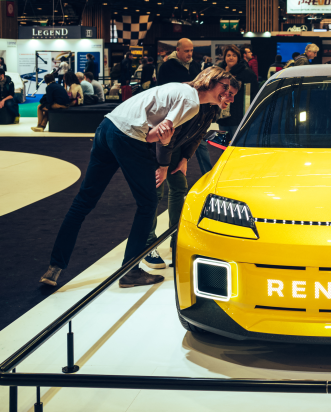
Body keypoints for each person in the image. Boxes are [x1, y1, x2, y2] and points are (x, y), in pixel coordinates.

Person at [38, 67, 236, 288]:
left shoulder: (180, 90)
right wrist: (164, 148)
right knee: (149, 201)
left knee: (84, 201)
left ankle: (54, 268)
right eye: (225, 87)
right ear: (210, 81)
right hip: (127, 137)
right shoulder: (191, 104)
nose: (228, 94)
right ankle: (130, 272)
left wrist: (161, 140)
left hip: (106, 128)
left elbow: (155, 130)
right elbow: (159, 134)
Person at [143, 76, 240, 269]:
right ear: (215, 87)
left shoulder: (211, 107)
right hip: (155, 145)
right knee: (156, 191)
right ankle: (147, 246)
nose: (231, 100)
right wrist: (163, 165)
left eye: (233, 95)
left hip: (174, 146)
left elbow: (199, 134)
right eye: (229, 94)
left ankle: (175, 238)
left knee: (179, 188)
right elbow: (167, 132)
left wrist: (185, 157)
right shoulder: (189, 98)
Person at [217, 45, 258, 139]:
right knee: (223, 147)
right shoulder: (218, 73)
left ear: (238, 58)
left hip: (239, 117)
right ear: (224, 57)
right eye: (228, 55)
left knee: (238, 145)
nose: (231, 57)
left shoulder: (247, 73)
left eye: (234, 55)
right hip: (222, 118)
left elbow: (254, 95)